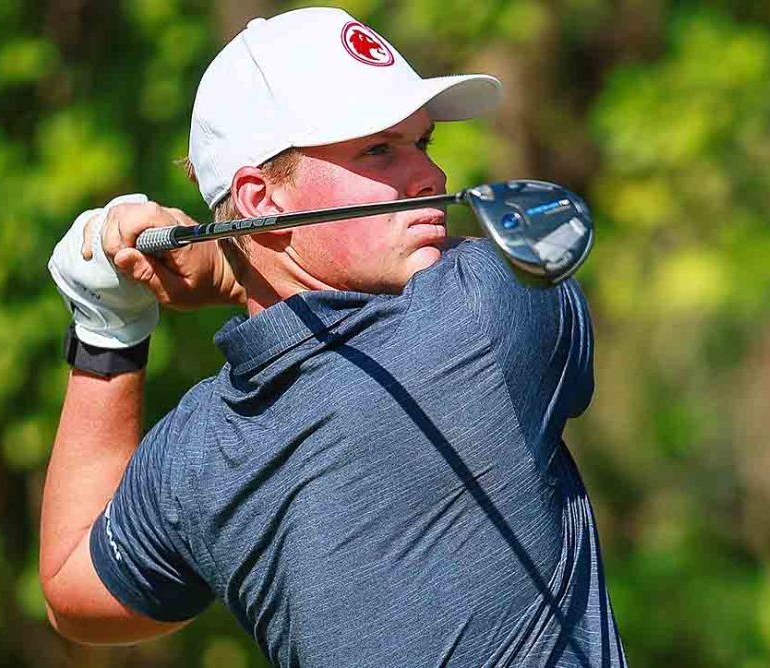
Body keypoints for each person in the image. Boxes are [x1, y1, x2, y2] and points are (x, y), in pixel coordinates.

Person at [40, 7, 626, 666]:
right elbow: (527, 257)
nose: (428, 177)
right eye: (378, 149)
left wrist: (109, 329)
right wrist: (229, 278)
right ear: (261, 200)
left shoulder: (196, 454)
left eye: (422, 143)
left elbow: (71, 589)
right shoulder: (488, 309)